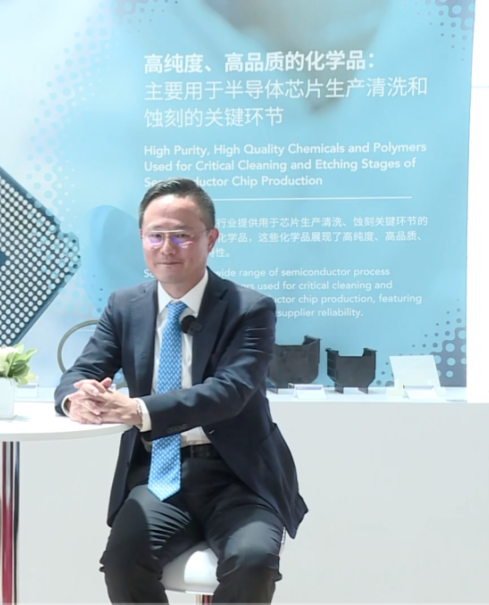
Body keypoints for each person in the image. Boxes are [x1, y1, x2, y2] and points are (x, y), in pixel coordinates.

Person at [54, 178, 307, 604]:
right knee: (122, 563)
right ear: (141, 238)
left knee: (253, 562)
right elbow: (82, 370)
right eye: (156, 235)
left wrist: (138, 410)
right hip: (161, 474)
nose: (167, 247)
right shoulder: (125, 306)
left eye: (182, 235)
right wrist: (74, 398)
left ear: (211, 239)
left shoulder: (249, 308)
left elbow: (230, 392)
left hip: (240, 477)